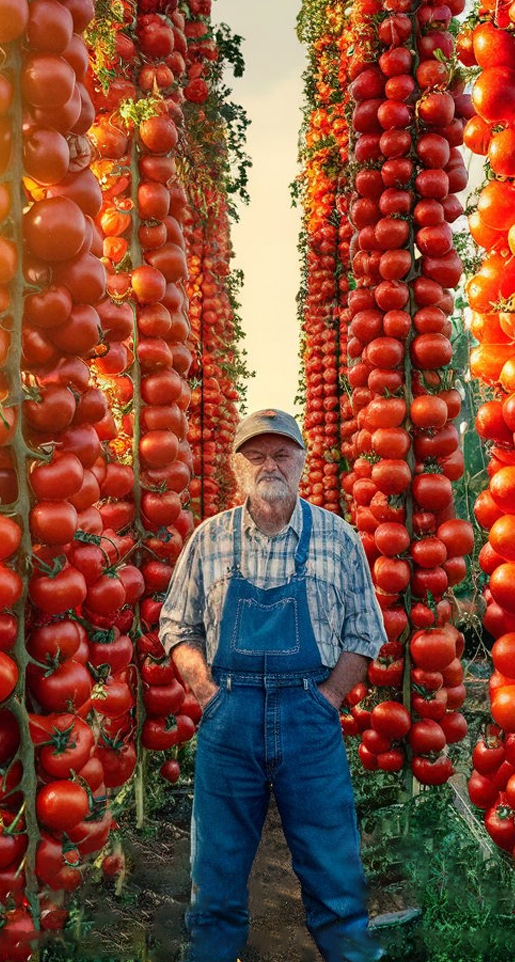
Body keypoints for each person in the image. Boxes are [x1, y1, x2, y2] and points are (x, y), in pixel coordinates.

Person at [159, 407, 387, 962]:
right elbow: (176, 625)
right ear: (237, 468)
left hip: (309, 716)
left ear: (302, 463)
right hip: (229, 718)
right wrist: (206, 691)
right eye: (256, 455)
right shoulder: (208, 540)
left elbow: (366, 632)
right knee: (215, 878)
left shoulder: (338, 539)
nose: (270, 465)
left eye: (282, 453)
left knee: (334, 877)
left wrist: (330, 696)